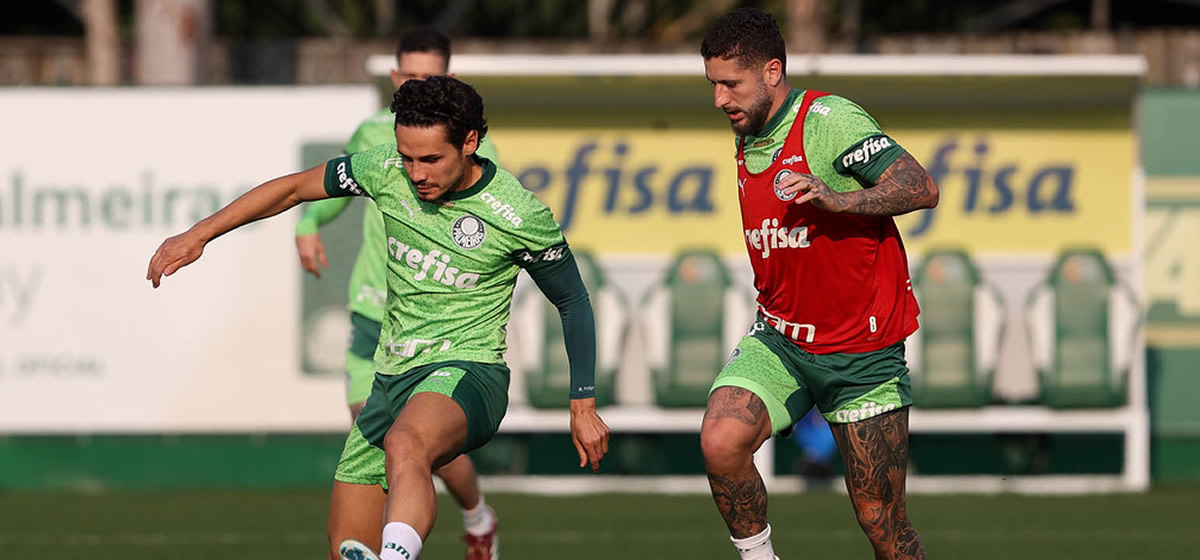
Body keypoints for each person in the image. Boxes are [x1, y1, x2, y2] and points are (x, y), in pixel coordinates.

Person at [147, 76, 611, 560]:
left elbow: (573, 301)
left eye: (430, 159)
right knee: (347, 546)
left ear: (470, 143)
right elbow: (293, 190)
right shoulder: (385, 170)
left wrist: (582, 402)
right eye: (408, 156)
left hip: (468, 373)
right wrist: (199, 234)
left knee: (406, 441)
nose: (416, 173)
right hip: (389, 381)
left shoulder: (517, 214)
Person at [698, 8, 937, 560]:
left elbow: (920, 186)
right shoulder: (750, 128)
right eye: (712, 85)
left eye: (730, 84)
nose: (719, 100)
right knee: (720, 442)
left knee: (884, 529)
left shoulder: (827, 119)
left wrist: (840, 198)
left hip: (861, 354)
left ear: (772, 72)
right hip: (780, 341)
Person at [292, 28, 502, 560]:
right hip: (373, 310)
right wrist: (308, 223)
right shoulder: (371, 136)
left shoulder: (475, 148)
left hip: (437, 329)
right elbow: (330, 189)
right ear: (394, 77)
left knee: (414, 440)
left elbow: (496, 231)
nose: (417, 85)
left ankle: (475, 515)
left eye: (429, 76)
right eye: (409, 75)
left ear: (450, 79)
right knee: (382, 442)